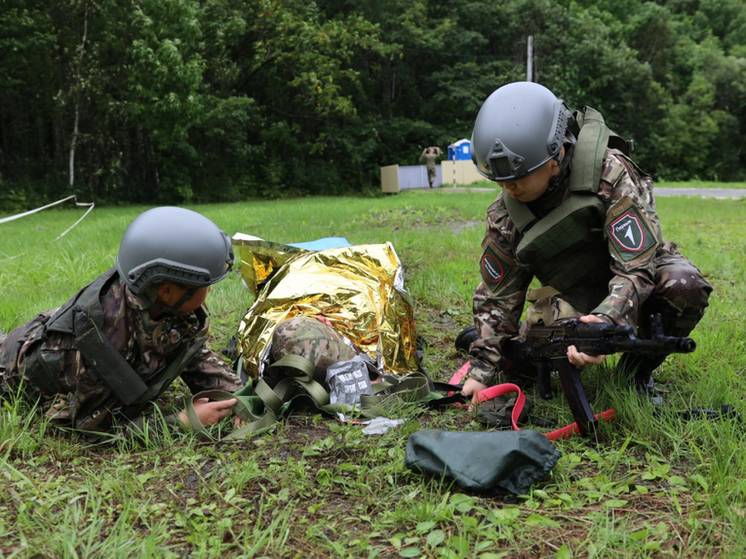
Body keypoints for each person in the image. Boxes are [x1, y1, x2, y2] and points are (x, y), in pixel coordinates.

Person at [461, 81, 712, 405]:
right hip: (570, 296)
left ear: (555, 157)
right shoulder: (505, 215)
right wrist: (481, 372)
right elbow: (497, 298)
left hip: (634, 283)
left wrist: (607, 322)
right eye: (500, 180)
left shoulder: (609, 175)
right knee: (522, 357)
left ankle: (634, 374)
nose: (509, 188)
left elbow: (636, 268)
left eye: (518, 178)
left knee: (684, 286)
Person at [0, 207, 242, 435]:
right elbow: (96, 428)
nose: (208, 292)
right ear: (167, 291)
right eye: (204, 286)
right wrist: (183, 421)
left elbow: (192, 352)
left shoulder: (162, 300)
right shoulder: (99, 343)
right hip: (12, 369)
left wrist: (237, 397)